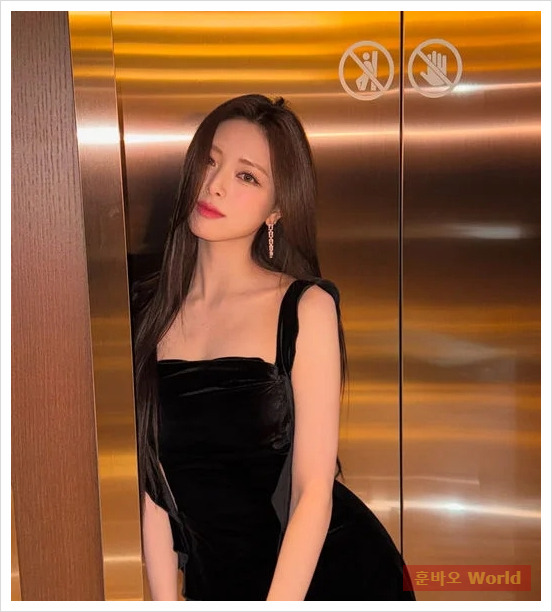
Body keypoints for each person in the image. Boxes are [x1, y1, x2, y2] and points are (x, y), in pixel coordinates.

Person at [130, 93, 416, 601]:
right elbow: (154, 490)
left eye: (247, 176)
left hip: (326, 580)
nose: (216, 184)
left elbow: (312, 493)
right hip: (218, 584)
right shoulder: (149, 312)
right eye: (210, 161)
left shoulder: (305, 307)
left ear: (276, 208)